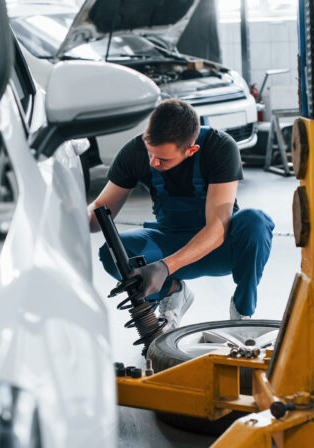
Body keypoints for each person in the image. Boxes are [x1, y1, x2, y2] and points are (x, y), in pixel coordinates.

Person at [88, 98, 274, 332]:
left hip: (221, 247)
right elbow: (98, 215)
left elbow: (217, 229)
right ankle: (173, 292)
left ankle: (242, 312)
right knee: (113, 253)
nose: (153, 163)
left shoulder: (220, 147)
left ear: (191, 150)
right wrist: (65, 211)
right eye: (150, 154)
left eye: (163, 159)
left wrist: (166, 266)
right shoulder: (134, 152)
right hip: (170, 241)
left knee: (255, 222)